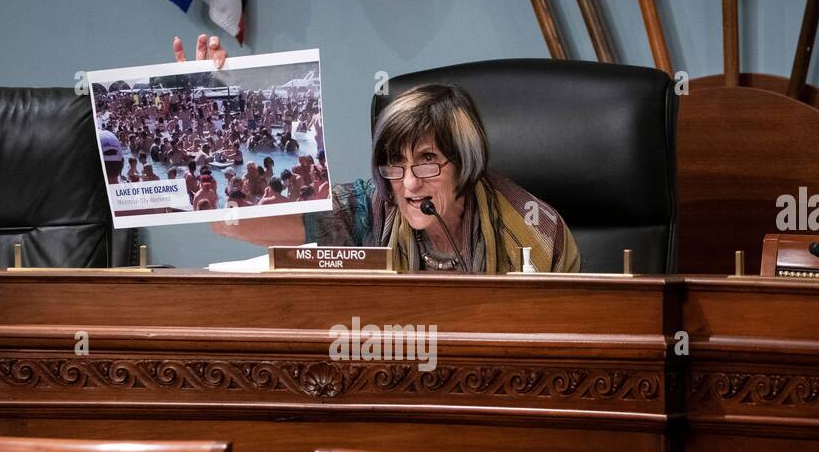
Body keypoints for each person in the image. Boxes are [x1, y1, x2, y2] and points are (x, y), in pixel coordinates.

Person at [171, 34, 579, 273]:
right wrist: (208, 110)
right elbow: (232, 223)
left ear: (465, 162)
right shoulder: (374, 206)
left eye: (427, 160)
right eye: (395, 164)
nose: (410, 183)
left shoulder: (532, 228)